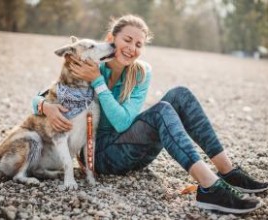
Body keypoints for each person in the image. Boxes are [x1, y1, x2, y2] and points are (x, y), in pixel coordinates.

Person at [32, 15, 267, 214]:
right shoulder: (92, 66)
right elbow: (42, 95)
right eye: (127, 40)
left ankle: (228, 172)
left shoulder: (140, 73)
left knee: (180, 95)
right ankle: (210, 188)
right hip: (99, 157)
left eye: (139, 44)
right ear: (111, 39)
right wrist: (46, 107)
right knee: (162, 111)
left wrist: (98, 84)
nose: (132, 48)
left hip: (129, 150)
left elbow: (123, 122)